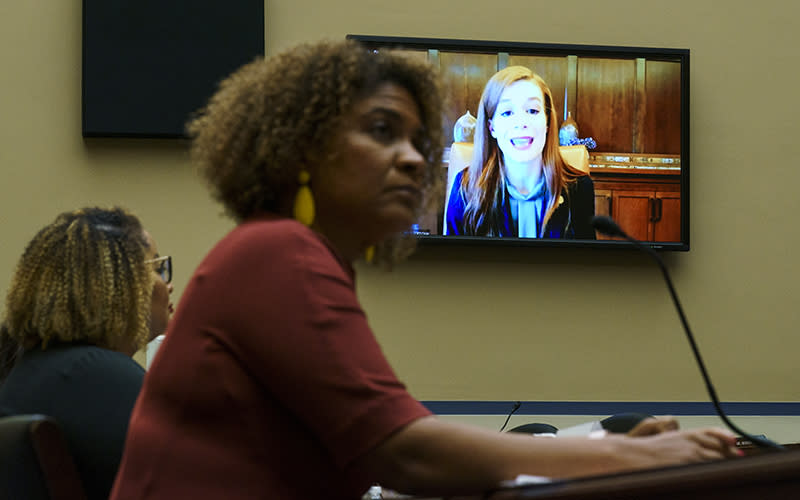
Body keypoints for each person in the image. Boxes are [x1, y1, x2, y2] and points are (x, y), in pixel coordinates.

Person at [110, 40, 739, 500]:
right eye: (382, 131)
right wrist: (632, 460)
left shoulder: (296, 255)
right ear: (300, 146)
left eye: (418, 139)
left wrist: (603, 445)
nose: (413, 159)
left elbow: (384, 447)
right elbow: (403, 451)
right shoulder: (277, 254)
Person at [0, 206, 174, 500]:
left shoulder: (34, 372)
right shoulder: (102, 378)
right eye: (158, 269)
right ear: (119, 286)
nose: (168, 285)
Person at [446, 66, 596, 239]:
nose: (521, 122)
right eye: (507, 112)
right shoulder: (465, 189)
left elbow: (586, 263)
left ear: (547, 122)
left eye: (532, 111)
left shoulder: (580, 189)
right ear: (491, 127)